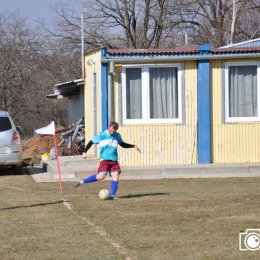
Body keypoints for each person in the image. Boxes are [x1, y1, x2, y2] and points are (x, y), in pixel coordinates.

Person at [74, 121, 141, 199]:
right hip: (104, 160)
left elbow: (122, 144)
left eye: (114, 131)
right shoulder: (102, 135)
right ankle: (83, 181)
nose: (112, 132)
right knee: (101, 177)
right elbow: (91, 142)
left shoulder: (117, 136)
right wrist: (84, 152)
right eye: (111, 130)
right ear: (109, 126)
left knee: (115, 176)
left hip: (114, 160)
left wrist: (133, 146)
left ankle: (112, 195)